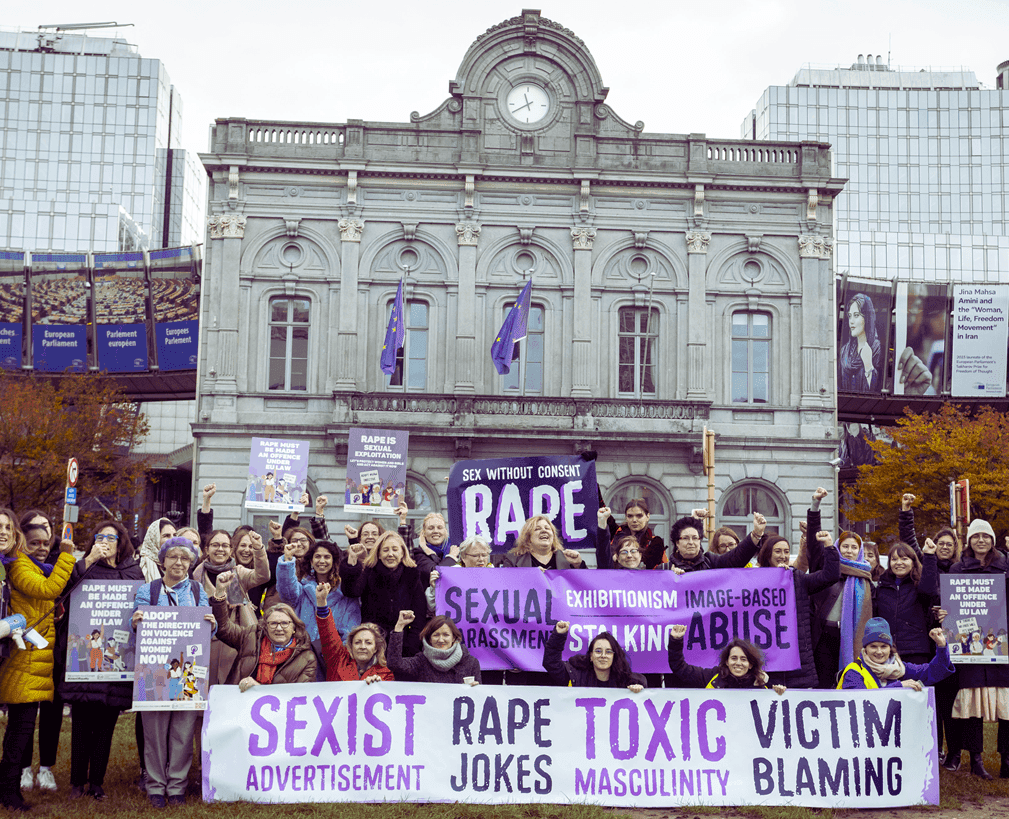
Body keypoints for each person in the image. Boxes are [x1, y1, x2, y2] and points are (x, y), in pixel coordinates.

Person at [58, 520, 143, 800]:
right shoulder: (85, 567)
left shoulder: (132, 571)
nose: (105, 541)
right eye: (100, 537)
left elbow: (139, 604)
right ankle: (76, 783)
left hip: (116, 663)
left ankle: (97, 782)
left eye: (112, 537)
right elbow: (62, 591)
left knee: (106, 726)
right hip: (85, 666)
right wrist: (89, 558)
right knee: (81, 724)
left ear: (122, 543)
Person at [131, 537, 217, 808]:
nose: (179, 563)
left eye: (185, 559)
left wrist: (211, 624)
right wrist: (136, 621)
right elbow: (137, 623)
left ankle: (177, 786)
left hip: (189, 671)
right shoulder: (149, 590)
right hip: (154, 668)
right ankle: (155, 786)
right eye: (173, 557)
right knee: (154, 731)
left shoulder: (196, 590)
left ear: (190, 564)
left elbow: (206, 628)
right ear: (162, 561)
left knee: (182, 729)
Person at [0, 515, 75, 811]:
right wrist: (67, 557)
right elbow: (47, 590)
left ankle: (7, 789)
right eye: (35, 543)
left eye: (47, 543)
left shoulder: (29, 565)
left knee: (20, 727)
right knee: (20, 728)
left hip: (32, 656)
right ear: (22, 540)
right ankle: (8, 792)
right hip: (25, 659)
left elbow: (37, 600)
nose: (43, 548)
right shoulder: (19, 564)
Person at [899, 492, 962, 763]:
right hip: (930, 639)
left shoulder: (962, 570)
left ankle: (955, 752)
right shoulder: (927, 566)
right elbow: (910, 542)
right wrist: (906, 512)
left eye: (949, 543)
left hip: (958, 641)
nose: (944, 546)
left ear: (956, 547)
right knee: (933, 696)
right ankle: (935, 747)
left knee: (953, 699)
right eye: (940, 543)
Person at [944, 519, 1009, 780]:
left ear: (992, 540)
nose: (981, 540)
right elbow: (947, 598)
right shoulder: (958, 568)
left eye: (986, 536)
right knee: (973, 706)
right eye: (975, 536)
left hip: (1000, 645)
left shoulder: (1005, 565)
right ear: (969, 541)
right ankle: (976, 760)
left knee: (1006, 705)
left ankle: (1007, 758)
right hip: (969, 649)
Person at [209, 571, 317, 688]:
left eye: (285, 623)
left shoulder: (307, 659)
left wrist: (258, 688)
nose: (279, 628)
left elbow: (299, 696)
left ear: (294, 627)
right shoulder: (251, 637)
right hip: (237, 702)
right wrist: (220, 592)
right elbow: (224, 628)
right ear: (265, 626)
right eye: (273, 623)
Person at [192, 528, 270, 686]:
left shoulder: (238, 573)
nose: (220, 549)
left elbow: (262, 575)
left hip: (235, 640)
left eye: (225, 545)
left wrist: (258, 548)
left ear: (230, 550)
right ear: (207, 549)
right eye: (215, 545)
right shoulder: (196, 575)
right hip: (206, 640)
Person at [341, 532, 428, 656]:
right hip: (373, 643)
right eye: (385, 550)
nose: (390, 554)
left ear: (402, 553)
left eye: (395, 549)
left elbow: (419, 616)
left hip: (404, 643)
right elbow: (351, 591)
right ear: (379, 554)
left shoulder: (412, 575)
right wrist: (352, 560)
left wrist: (411, 647)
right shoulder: (370, 572)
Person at [811, 530, 874, 689]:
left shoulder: (865, 576)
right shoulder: (827, 571)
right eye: (845, 546)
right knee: (824, 682)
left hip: (851, 637)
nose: (849, 551)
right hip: (825, 635)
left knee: (848, 678)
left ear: (859, 551)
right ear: (838, 547)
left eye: (854, 547)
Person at [276, 539, 360, 644]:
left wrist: (341, 653)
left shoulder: (345, 592)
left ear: (334, 561)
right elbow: (287, 592)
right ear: (311, 561)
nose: (322, 561)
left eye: (327, 557)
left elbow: (350, 629)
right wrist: (287, 559)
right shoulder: (303, 588)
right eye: (317, 556)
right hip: (302, 651)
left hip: (333, 653)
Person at [838, 616, 953, 690]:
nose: (879, 651)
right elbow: (859, 701)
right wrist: (899, 686)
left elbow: (935, 672)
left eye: (884, 646)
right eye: (873, 646)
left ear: (890, 648)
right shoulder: (854, 671)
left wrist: (941, 646)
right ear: (865, 649)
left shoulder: (899, 668)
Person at [873, 539, 939, 665]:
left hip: (916, 651)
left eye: (904, 559)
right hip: (887, 651)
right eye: (894, 559)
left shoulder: (919, 585)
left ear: (913, 562)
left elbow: (930, 590)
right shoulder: (881, 587)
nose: (899, 563)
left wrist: (929, 555)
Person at [668, 623, 785, 692]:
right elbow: (679, 668)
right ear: (727, 662)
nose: (738, 663)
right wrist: (676, 641)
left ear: (750, 664)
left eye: (743, 659)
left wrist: (780, 693)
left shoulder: (762, 686)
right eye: (734, 658)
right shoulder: (712, 677)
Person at [314, 583, 393, 683]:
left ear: (376, 648)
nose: (362, 646)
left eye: (368, 643)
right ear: (351, 646)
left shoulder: (385, 674)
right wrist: (321, 602)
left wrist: (378, 686)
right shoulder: (338, 660)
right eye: (357, 642)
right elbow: (328, 633)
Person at [545, 621, 646, 690]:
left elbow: (642, 681)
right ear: (591, 656)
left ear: (614, 656)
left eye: (608, 652)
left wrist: (637, 688)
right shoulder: (575, 677)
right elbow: (551, 663)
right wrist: (558, 635)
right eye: (598, 651)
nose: (603, 655)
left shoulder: (624, 681)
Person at [387, 610, 480, 684]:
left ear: (454, 638)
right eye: (436, 635)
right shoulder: (421, 661)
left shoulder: (471, 663)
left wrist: (475, 690)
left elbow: (478, 698)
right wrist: (399, 626)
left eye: (446, 635)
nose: (440, 640)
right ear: (429, 639)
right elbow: (394, 664)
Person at [663, 512, 762, 573]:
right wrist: (670, 578)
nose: (691, 542)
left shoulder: (711, 562)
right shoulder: (665, 568)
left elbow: (736, 557)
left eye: (695, 538)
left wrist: (756, 534)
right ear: (677, 543)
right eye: (685, 538)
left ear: (700, 540)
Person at [596, 499, 665, 569]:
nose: (634, 520)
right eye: (630, 516)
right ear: (626, 517)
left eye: (639, 516)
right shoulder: (617, 533)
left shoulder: (655, 541)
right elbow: (600, 507)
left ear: (648, 516)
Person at [838, 292, 882, 392]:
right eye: (850, 316)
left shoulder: (876, 348)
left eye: (856, 315)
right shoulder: (845, 350)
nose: (851, 321)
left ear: (867, 318)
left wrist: (868, 366)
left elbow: (876, 390)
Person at [502, 516, 585, 569]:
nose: (544, 531)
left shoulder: (568, 559)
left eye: (547, 528)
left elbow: (585, 586)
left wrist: (578, 565)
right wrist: (530, 576)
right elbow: (506, 586)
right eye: (537, 529)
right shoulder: (512, 560)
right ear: (528, 537)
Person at [138, 518, 176, 582]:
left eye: (175, 535)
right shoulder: (140, 566)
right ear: (154, 539)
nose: (173, 539)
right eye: (166, 536)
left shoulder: (181, 565)